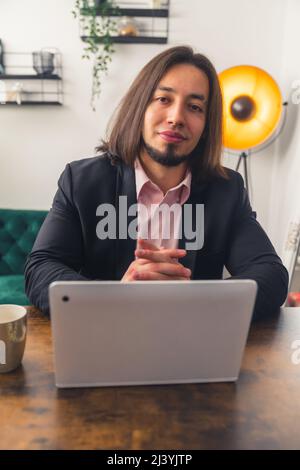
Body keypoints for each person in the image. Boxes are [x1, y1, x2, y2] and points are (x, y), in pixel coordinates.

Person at [24, 45, 288, 319]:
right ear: (140, 106)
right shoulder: (81, 181)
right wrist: (114, 298)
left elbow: (271, 276)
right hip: (106, 338)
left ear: (207, 125)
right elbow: (41, 269)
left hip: (192, 343)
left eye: (195, 107)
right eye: (163, 99)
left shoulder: (227, 190)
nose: (176, 118)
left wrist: (193, 300)